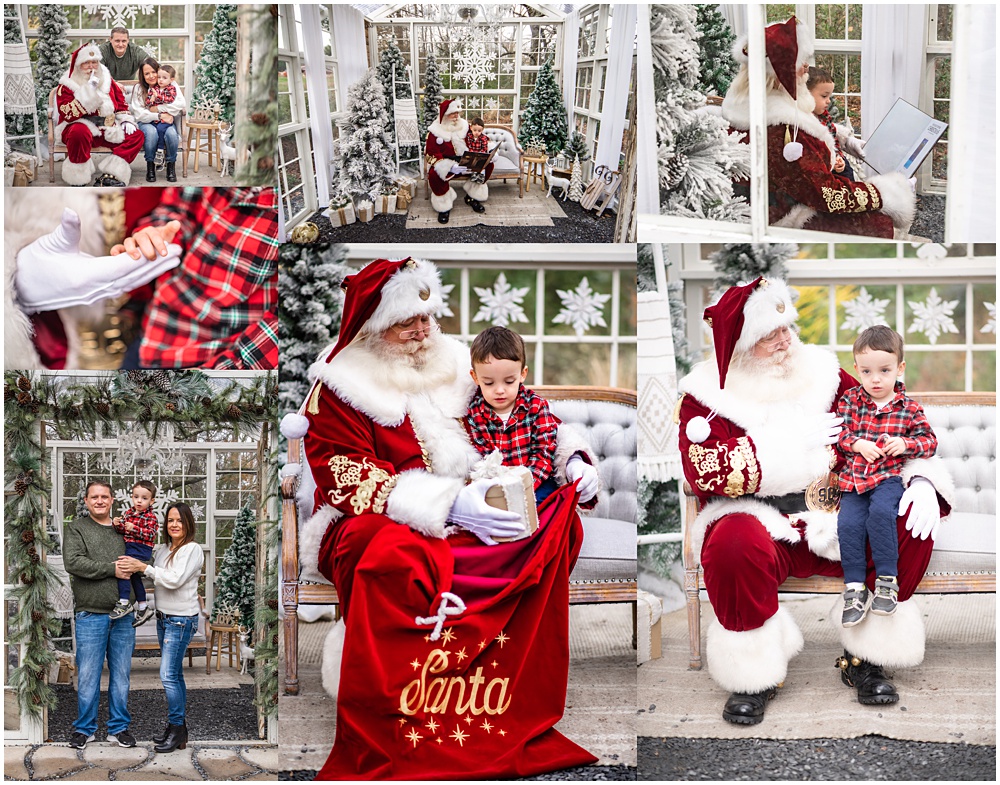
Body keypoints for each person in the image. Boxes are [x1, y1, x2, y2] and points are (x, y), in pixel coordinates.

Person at [282, 257, 601, 779]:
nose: (423, 331)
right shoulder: (341, 383)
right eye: (408, 322)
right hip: (376, 516)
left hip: (474, 500)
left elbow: (527, 414)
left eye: (427, 317)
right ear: (374, 326)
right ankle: (396, 692)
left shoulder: (457, 360)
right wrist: (446, 504)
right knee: (390, 553)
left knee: (549, 519)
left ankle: (485, 683)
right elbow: (346, 475)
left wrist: (574, 461)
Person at [676, 277, 953, 725]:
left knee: (905, 521)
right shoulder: (706, 399)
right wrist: (781, 447)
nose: (785, 341)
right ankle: (755, 675)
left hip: (841, 511)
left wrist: (921, 480)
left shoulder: (824, 373)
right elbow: (703, 472)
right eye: (769, 336)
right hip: (761, 517)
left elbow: (888, 424)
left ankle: (865, 656)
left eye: (786, 327)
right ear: (742, 347)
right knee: (729, 544)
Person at [722, 17, 915, 237]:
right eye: (800, 63)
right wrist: (884, 193)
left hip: (763, 204)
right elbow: (826, 195)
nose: (806, 68)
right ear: (778, 73)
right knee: (879, 223)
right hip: (786, 217)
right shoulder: (784, 129)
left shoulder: (745, 104)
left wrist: (842, 138)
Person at [109, 187, 279, 369]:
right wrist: (157, 237)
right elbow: (176, 208)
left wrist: (220, 376)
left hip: (215, 358)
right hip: (154, 333)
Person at [836, 326, 938, 627]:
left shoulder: (909, 408)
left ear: (899, 368)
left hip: (888, 479)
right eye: (867, 372)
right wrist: (856, 443)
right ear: (857, 369)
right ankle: (854, 588)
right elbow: (839, 435)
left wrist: (906, 444)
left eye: (884, 370)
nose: (875, 379)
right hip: (854, 480)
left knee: (881, 515)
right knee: (849, 523)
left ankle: (886, 583)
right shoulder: (850, 401)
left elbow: (929, 442)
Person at [119, 503, 205, 754]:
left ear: (188, 523)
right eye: (170, 520)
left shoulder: (193, 550)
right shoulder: (163, 549)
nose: (174, 524)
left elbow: (174, 580)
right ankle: (178, 730)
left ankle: (177, 727)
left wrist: (142, 567)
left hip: (181, 620)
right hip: (164, 617)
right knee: (174, 674)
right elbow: (152, 576)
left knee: (167, 675)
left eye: (179, 520)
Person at [62, 481, 136, 749]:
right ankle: (85, 729)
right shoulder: (76, 529)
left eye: (105, 496)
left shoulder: (123, 530)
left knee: (121, 676)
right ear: (86, 500)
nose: (100, 500)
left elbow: (140, 556)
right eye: (95, 497)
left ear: (113, 499)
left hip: (123, 615)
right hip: (90, 613)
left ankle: (119, 728)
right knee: (89, 675)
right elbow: (74, 563)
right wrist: (111, 569)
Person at [465, 325, 561, 504]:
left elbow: (544, 453)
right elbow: (482, 459)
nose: (500, 390)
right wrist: (498, 489)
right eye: (489, 383)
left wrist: (525, 486)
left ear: (522, 374)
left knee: (550, 502)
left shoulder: (536, 407)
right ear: (475, 377)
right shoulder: (475, 412)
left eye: (509, 381)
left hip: (535, 482)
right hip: (495, 486)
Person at [55, 44, 144, 186]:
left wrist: (126, 120)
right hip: (80, 127)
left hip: (107, 128)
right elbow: (67, 113)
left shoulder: (107, 78)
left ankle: (112, 174)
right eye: (86, 63)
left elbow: (120, 103)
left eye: (94, 62)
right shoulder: (67, 84)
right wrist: (88, 92)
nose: (91, 66)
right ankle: (78, 177)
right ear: (78, 65)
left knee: (137, 136)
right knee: (79, 132)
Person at [425, 98, 494, 223]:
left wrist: (489, 151)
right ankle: (444, 206)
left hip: (466, 160)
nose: (456, 116)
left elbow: (480, 138)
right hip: (448, 162)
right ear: (445, 115)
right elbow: (430, 154)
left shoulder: (465, 126)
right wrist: (448, 166)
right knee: (434, 174)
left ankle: (472, 197)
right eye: (453, 113)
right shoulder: (435, 131)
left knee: (488, 165)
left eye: (457, 113)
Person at [110, 480, 159, 626]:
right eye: (136, 497)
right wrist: (117, 524)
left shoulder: (151, 517)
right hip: (130, 546)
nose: (139, 501)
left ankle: (124, 602)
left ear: (152, 501)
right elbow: (123, 531)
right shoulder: (129, 513)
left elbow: (151, 535)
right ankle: (143, 607)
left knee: (124, 568)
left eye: (144, 498)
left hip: (141, 548)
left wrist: (135, 528)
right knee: (134, 577)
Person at [131, 57, 186, 182]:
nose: (151, 76)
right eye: (146, 73)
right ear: (142, 75)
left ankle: (170, 166)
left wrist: (159, 108)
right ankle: (150, 166)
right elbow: (140, 114)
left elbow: (181, 104)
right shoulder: (139, 89)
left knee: (172, 134)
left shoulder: (169, 84)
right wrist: (160, 115)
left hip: (164, 121)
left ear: (158, 70)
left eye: (153, 72)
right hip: (147, 122)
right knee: (151, 133)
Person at [806, 66, 864, 181]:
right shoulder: (805, 123)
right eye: (824, 96)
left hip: (837, 162)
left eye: (829, 96)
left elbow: (833, 139)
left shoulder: (824, 116)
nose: (828, 101)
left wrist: (839, 157)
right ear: (806, 94)